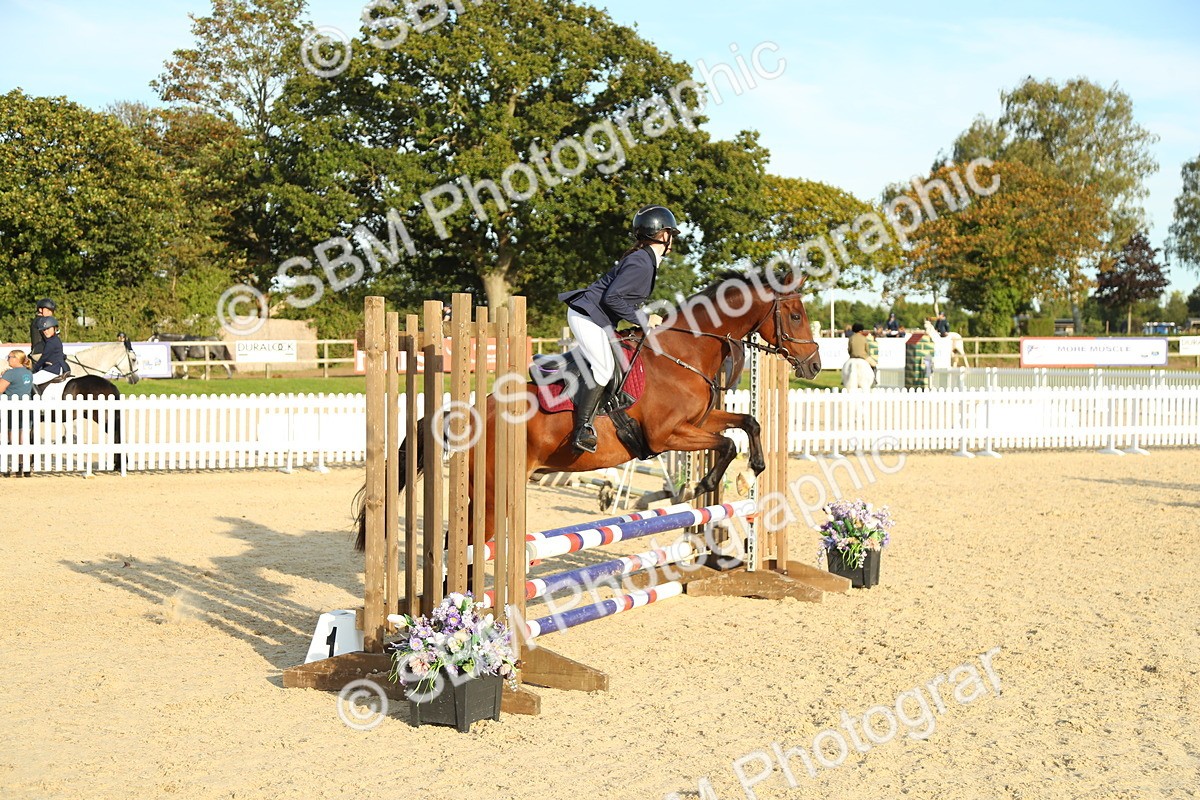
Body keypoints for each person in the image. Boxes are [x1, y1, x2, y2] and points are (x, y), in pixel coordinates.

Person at [557, 205, 679, 453]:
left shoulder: (646, 260)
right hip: (586, 316)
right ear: (662, 234)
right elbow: (612, 298)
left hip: (598, 318)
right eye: (671, 234)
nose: (672, 239)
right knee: (604, 368)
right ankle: (582, 430)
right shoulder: (642, 262)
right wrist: (643, 319)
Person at [1, 350, 34, 477]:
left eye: (9, 357)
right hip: (26, 408)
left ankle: (16, 466)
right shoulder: (28, 373)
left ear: (15, 359)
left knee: (13, 439)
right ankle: (24, 466)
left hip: (12, 409)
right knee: (24, 438)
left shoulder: (10, 373)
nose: (8, 359)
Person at [31, 316, 69, 389]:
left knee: (30, 381)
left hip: (53, 369)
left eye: (48, 328)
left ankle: (37, 398)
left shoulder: (51, 342)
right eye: (44, 330)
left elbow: (44, 358)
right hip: (57, 367)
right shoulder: (55, 339)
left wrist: (34, 368)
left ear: (55, 328)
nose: (46, 331)